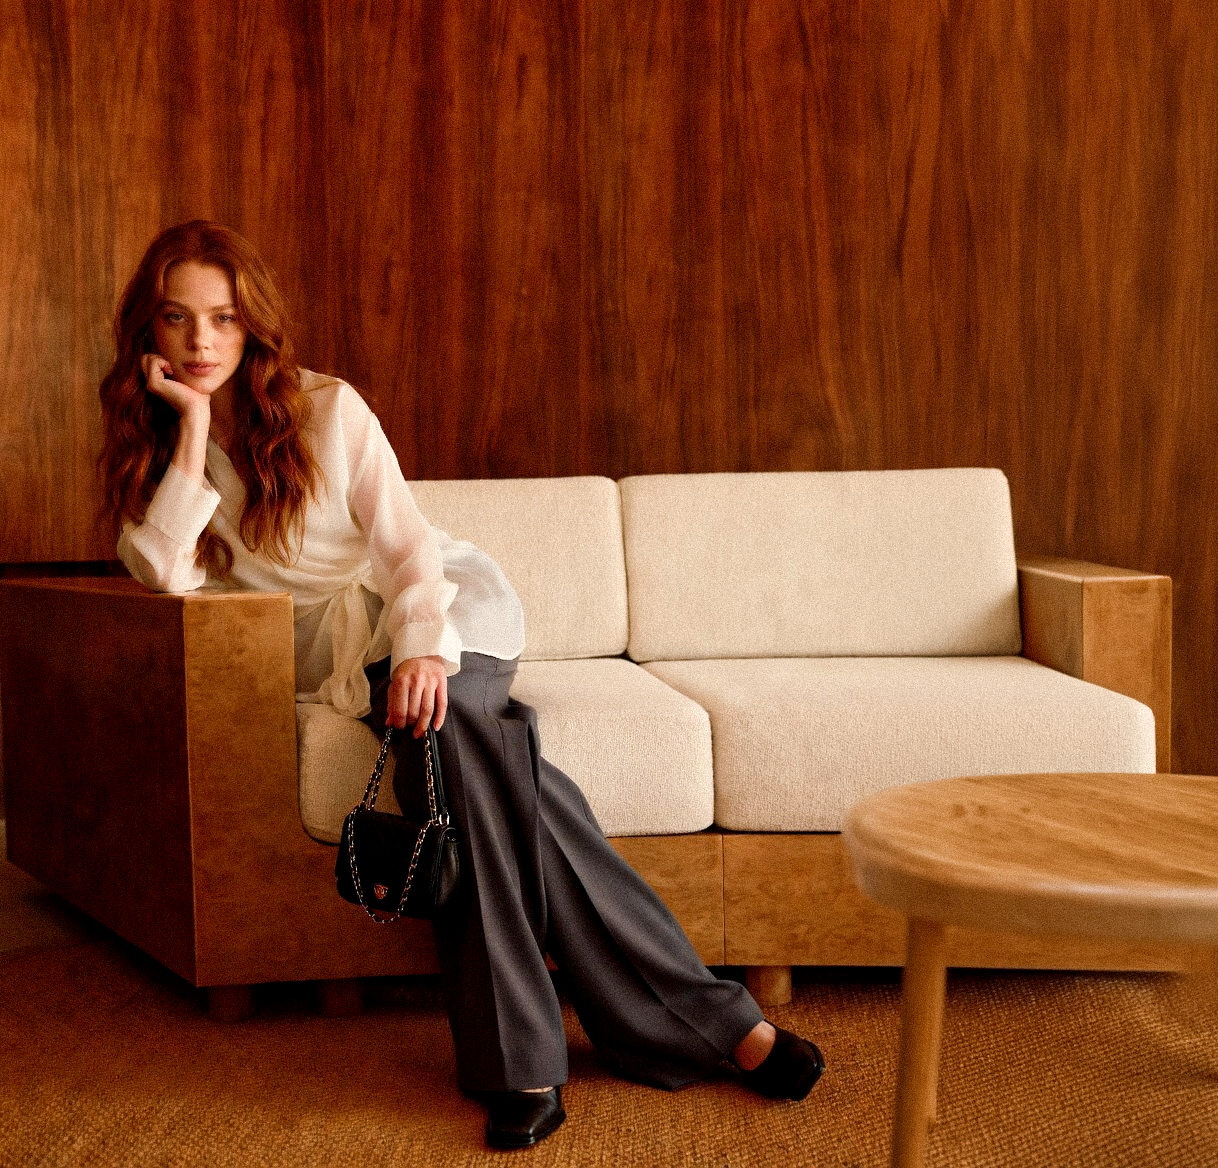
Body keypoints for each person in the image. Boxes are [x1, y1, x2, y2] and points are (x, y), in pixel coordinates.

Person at [98, 220, 824, 1149]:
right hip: (338, 658)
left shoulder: (327, 409)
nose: (201, 342)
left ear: (254, 328)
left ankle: (520, 1070)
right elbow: (163, 572)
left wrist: (423, 653)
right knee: (485, 779)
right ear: (148, 334)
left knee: (443, 736)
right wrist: (193, 433)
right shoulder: (153, 454)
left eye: (224, 320)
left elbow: (406, 551)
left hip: (440, 613)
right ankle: (715, 1023)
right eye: (177, 319)